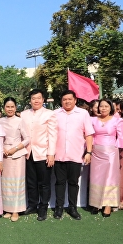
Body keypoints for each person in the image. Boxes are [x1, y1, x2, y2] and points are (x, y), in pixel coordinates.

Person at [53, 90, 94, 220]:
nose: (67, 101)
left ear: (75, 100)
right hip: (58, 155)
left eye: (70, 99)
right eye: (64, 99)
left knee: (73, 183)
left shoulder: (83, 114)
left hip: (76, 154)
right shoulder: (55, 114)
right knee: (59, 182)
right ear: (61, 101)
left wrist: (88, 152)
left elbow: (89, 134)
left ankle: (72, 208)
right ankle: (59, 207)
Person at [20, 89, 57, 221]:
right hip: (28, 153)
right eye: (33, 98)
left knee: (44, 183)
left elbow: (52, 135)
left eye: (38, 98)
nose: (36, 100)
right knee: (31, 182)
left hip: (43, 153)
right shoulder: (23, 115)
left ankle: (43, 208)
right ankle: (32, 205)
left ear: (43, 100)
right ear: (30, 100)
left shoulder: (49, 114)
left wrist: (51, 153)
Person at [89, 99, 123, 217]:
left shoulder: (117, 120)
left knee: (110, 178)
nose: (103, 108)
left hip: (111, 153)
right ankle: (95, 204)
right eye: (101, 106)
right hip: (96, 152)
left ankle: (108, 205)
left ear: (111, 108)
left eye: (106, 106)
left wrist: (116, 148)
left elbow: (121, 136)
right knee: (96, 177)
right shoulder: (93, 120)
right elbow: (89, 135)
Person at [0, 97, 29, 222]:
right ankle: (8, 209)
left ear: (16, 108)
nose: (10, 109)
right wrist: (2, 149)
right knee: (5, 184)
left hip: (17, 155)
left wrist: (15, 149)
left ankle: (16, 210)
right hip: (4, 156)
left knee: (16, 183)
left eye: (12, 107)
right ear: (4, 108)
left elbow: (27, 139)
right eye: (7, 106)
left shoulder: (20, 121)